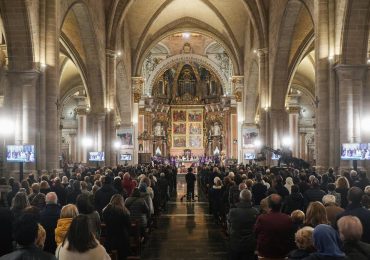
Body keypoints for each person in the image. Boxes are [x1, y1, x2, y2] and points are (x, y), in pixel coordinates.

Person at [254, 194, 294, 259]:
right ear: (281, 205)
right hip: (282, 252)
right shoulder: (288, 219)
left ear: (269, 205)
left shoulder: (262, 218)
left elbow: (256, 233)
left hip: (265, 252)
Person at [227, 189, 258, 260]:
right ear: (250, 198)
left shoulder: (233, 212)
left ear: (240, 198)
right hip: (250, 244)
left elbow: (229, 224)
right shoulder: (255, 212)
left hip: (236, 243)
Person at [102, 194, 131, 260]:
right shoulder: (124, 212)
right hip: (122, 240)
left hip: (109, 239)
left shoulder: (105, 211)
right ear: (121, 201)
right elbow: (128, 225)